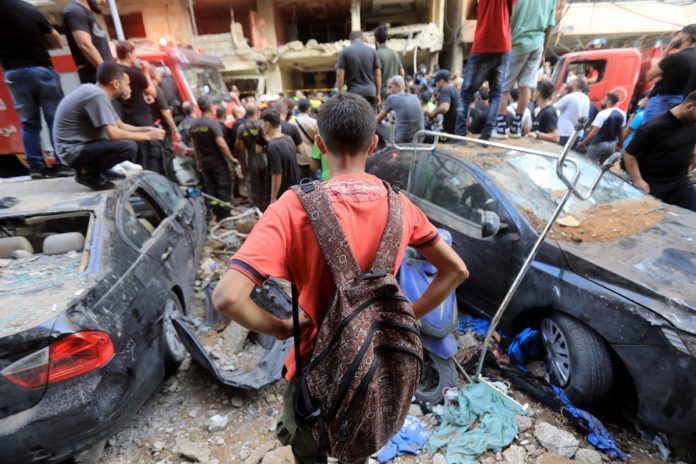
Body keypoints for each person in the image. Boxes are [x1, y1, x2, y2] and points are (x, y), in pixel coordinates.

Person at [211, 93, 468, 464]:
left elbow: (227, 297)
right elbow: (456, 270)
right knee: (356, 447)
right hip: (373, 365)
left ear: (318, 145)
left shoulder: (292, 207)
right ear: (374, 144)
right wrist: (408, 315)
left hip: (315, 365)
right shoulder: (401, 206)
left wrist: (284, 328)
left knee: (311, 448)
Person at [53, 62, 164, 190]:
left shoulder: (97, 92)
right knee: (128, 147)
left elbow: (120, 125)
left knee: (125, 143)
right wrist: (147, 136)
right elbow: (114, 134)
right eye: (127, 84)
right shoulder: (97, 95)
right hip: (71, 151)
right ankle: (87, 173)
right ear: (116, 84)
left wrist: (146, 129)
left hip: (77, 148)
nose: (129, 88)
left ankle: (101, 169)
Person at [0, 0, 71, 179]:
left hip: (13, 73)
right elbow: (56, 38)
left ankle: (35, 167)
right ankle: (63, 164)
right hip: (41, 69)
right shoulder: (29, 9)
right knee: (54, 119)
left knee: (28, 123)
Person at [623, 91, 696, 212]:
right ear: (689, 107)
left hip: (679, 182)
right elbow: (629, 153)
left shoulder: (692, 121)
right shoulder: (655, 126)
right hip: (653, 185)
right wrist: (638, 180)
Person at [493, 0, 556, 139]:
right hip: (538, 44)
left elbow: (507, 16)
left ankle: (501, 128)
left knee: (502, 87)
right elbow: (550, 26)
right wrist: (543, 52)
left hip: (516, 42)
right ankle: (515, 127)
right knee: (525, 86)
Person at [457, 0, 516, 140]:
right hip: (503, 45)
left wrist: (484, 12)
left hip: (483, 44)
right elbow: (510, 13)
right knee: (496, 94)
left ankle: (459, 136)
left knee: (466, 93)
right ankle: (486, 135)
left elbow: (469, 14)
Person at [115, 41, 163, 173]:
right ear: (129, 55)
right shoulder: (135, 73)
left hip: (122, 117)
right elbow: (153, 92)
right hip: (141, 116)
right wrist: (146, 72)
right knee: (149, 152)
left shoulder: (113, 70)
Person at [191, 95, 239, 219]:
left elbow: (195, 146)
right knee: (223, 186)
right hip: (218, 162)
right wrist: (231, 158)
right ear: (210, 107)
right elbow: (221, 144)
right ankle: (224, 214)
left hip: (205, 163)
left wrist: (198, 160)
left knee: (211, 187)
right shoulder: (213, 124)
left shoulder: (195, 124)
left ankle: (215, 212)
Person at [644, 24, 696, 122]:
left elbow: (650, 75)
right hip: (681, 103)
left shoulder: (676, 57)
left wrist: (670, 46)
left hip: (662, 101)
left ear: (686, 37)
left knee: (650, 132)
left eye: (679, 34)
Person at [62, 0, 112, 84]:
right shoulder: (75, 11)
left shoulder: (86, 13)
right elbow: (85, 45)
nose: (104, 1)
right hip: (95, 76)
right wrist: (107, 74)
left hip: (100, 74)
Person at [261, 109, 299, 204]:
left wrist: (273, 198)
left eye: (263, 123)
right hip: (292, 190)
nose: (262, 126)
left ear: (267, 124)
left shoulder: (273, 146)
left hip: (281, 193)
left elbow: (277, 174)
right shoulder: (288, 139)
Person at [336, 31, 382, 107]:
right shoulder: (372, 51)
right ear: (362, 39)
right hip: (370, 93)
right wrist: (378, 94)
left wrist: (340, 93)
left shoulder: (345, 52)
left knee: (356, 118)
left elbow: (340, 75)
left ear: (350, 39)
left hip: (354, 93)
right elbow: (378, 75)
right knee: (371, 118)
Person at [577, 92, 626, 164]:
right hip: (611, 145)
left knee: (589, 164)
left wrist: (583, 143)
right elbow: (621, 132)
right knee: (604, 167)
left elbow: (594, 131)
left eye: (604, 100)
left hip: (598, 144)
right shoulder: (622, 114)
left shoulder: (603, 113)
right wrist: (620, 144)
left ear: (609, 102)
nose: (602, 101)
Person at [376, 75, 424, 144]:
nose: (387, 92)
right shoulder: (414, 97)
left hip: (402, 141)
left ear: (397, 86)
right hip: (419, 139)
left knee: (374, 123)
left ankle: (381, 149)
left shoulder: (392, 98)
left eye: (390, 87)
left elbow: (377, 120)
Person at [235, 105, 266, 209]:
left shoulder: (242, 128)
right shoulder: (263, 125)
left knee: (254, 184)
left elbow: (240, 147)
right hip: (266, 157)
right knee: (266, 181)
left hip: (252, 158)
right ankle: (266, 204)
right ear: (257, 112)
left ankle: (256, 205)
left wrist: (243, 162)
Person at [553, 76, 590, 147]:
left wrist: (558, 94)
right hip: (578, 134)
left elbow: (553, 108)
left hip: (565, 133)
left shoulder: (570, 97)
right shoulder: (586, 98)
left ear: (575, 84)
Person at [374, 25, 404, 100]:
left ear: (376, 39)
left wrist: (377, 93)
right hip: (396, 92)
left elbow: (377, 75)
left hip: (383, 93)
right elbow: (402, 73)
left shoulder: (376, 54)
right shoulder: (395, 53)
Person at [292, 98, 319, 179]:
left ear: (298, 108)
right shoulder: (314, 122)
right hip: (312, 156)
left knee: (302, 182)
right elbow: (318, 139)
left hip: (298, 157)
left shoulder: (292, 122)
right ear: (309, 108)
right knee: (315, 182)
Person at [429, 70, 459, 135]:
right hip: (458, 131)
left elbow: (444, 108)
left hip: (452, 134)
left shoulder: (446, 89)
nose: (436, 86)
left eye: (436, 83)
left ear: (441, 82)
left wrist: (432, 115)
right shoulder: (457, 90)